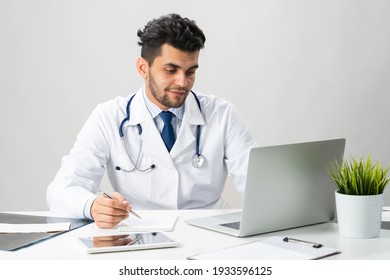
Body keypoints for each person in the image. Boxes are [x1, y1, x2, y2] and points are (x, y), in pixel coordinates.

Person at [47, 13, 257, 228]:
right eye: (170, 70)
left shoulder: (223, 114)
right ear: (143, 68)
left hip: (211, 232)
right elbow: (61, 190)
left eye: (190, 71)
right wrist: (92, 205)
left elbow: (258, 186)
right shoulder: (109, 116)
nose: (182, 82)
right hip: (141, 233)